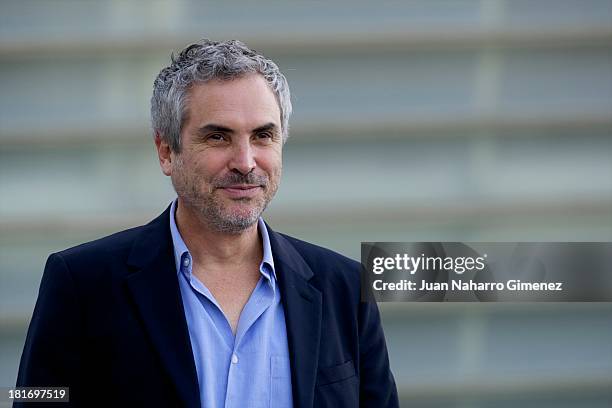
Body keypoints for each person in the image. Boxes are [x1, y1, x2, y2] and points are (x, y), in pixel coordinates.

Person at [16, 39, 398, 408]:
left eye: (263, 136)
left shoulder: (344, 288)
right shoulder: (83, 284)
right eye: (218, 137)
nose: (245, 162)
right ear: (166, 152)